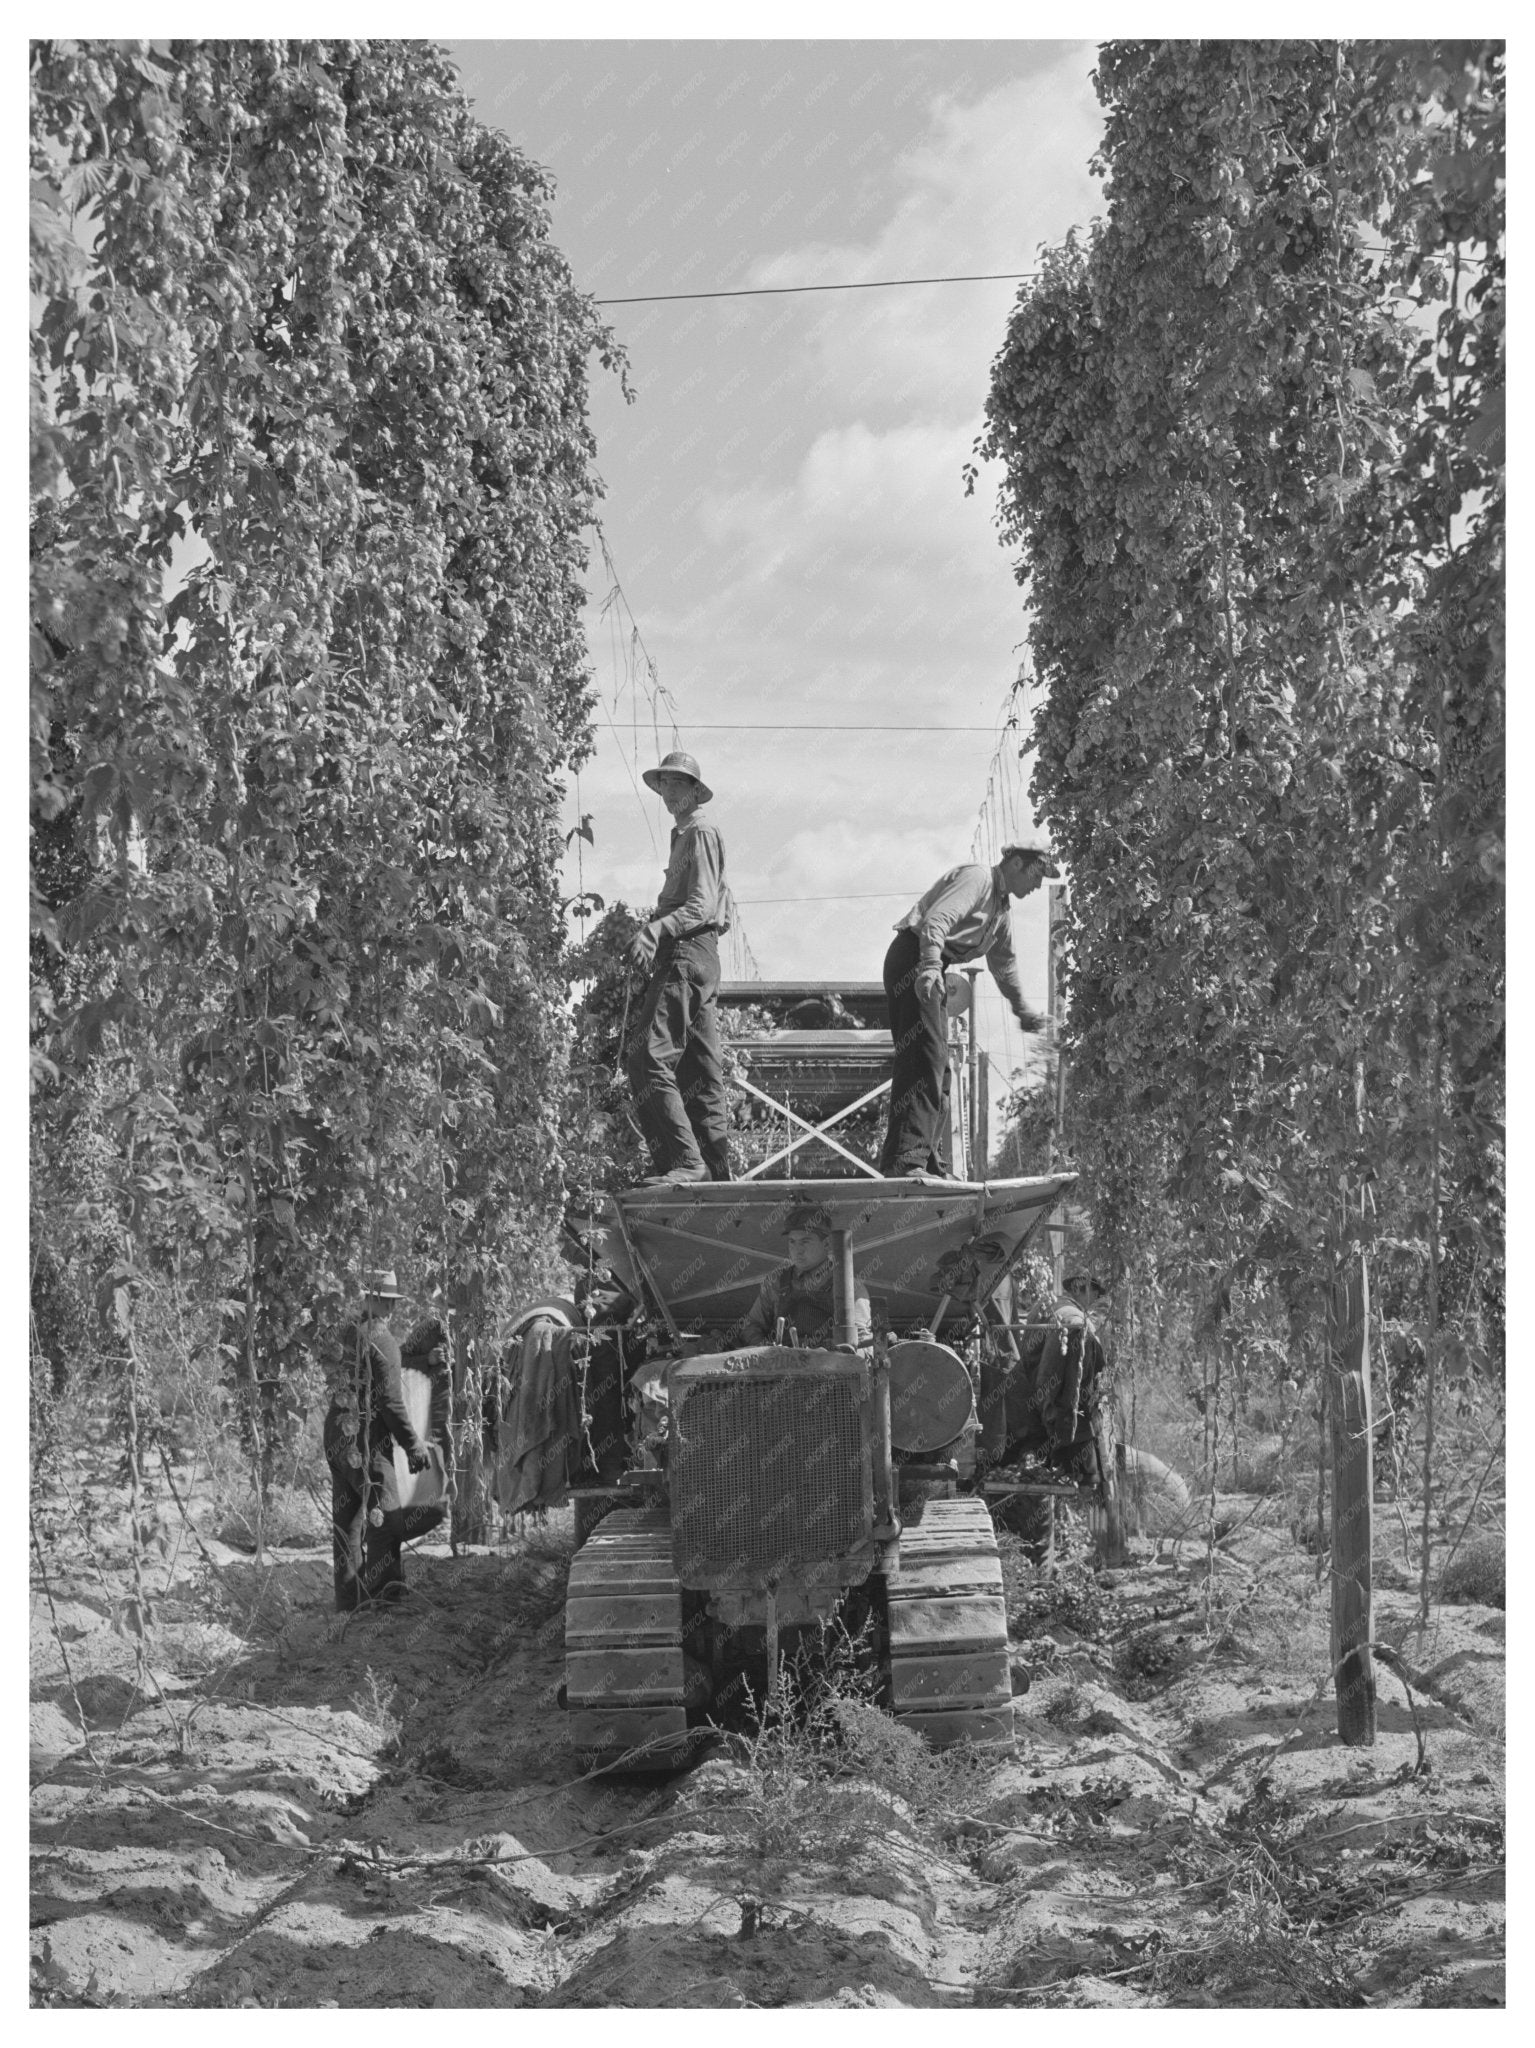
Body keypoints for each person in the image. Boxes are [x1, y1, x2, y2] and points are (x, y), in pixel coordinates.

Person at [879, 834, 1057, 1179]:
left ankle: (928, 1160)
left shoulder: (1000, 911)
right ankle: (904, 1162)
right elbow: (937, 921)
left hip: (931, 964)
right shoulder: (978, 879)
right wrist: (931, 967)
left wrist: (1022, 1011)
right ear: (1017, 863)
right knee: (922, 1056)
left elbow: (1005, 966)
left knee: (939, 1065)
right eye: (1037, 874)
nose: (1038, 885)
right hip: (916, 959)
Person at [625, 750, 733, 1186]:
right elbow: (716, 903)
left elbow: (702, 904)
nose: (668, 792)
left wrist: (656, 930)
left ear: (694, 789)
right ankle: (717, 1177)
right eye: (663, 783)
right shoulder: (686, 834)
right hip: (699, 955)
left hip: (687, 953)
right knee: (699, 1074)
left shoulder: (700, 831)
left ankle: (685, 1163)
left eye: (676, 783)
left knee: (646, 1057)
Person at [323, 1268, 438, 1610]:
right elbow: (390, 1402)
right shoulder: (382, 1339)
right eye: (389, 1301)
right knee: (386, 1520)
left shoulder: (344, 1331)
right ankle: (386, 1599)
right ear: (380, 1301)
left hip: (336, 1433)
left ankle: (348, 1603)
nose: (392, 1308)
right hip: (364, 1441)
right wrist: (413, 1445)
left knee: (348, 1525)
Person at [737, 1203, 873, 1349]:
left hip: (828, 1362)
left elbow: (862, 1338)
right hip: (782, 1361)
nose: (797, 1250)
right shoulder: (776, 1283)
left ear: (827, 1244)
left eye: (805, 1242)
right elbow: (751, 1325)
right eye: (792, 1242)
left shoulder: (848, 1287)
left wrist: (834, 1350)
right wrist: (766, 1349)